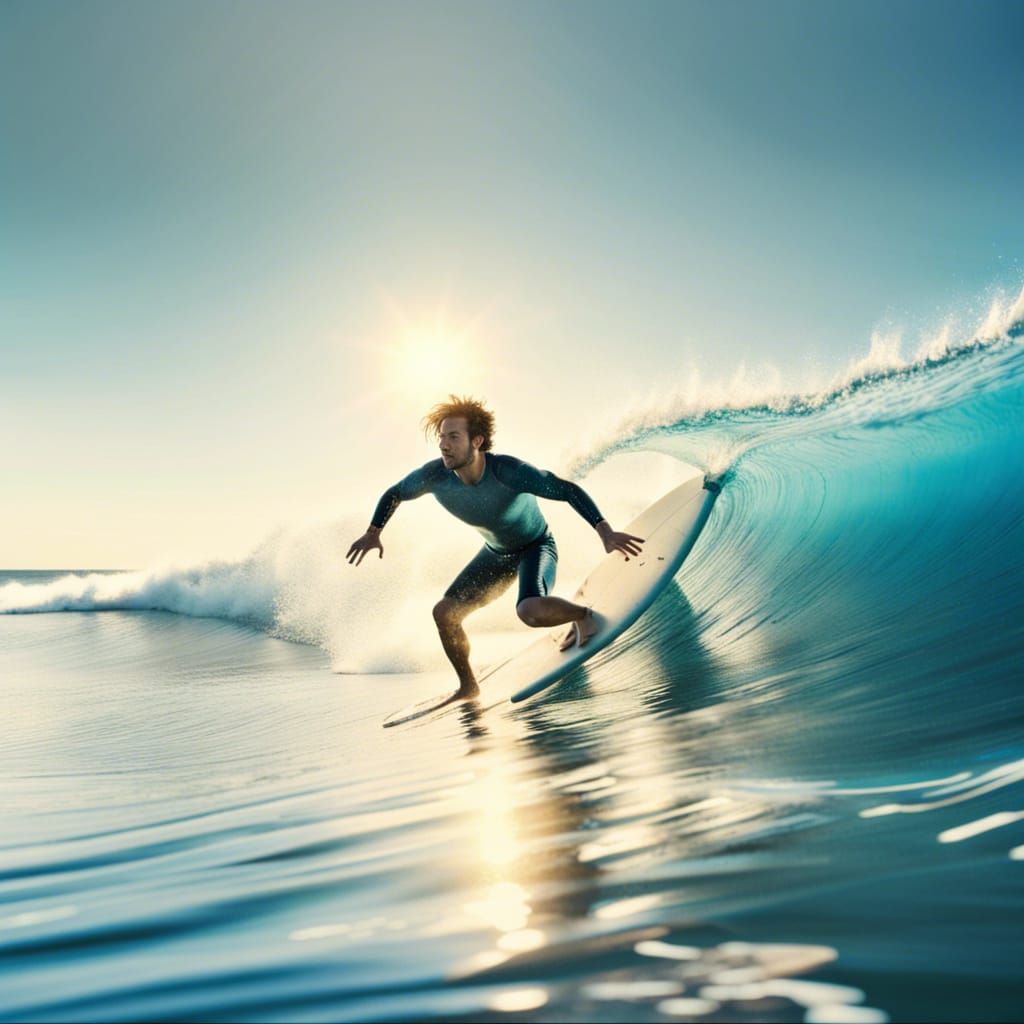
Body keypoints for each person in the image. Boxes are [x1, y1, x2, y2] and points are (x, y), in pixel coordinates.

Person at [347, 395, 644, 700]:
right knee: (444, 613)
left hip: (536, 546)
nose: (444, 445)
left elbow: (566, 490)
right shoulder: (434, 476)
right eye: (442, 438)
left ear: (477, 441)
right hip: (496, 554)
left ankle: (582, 614)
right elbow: (395, 493)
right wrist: (373, 532)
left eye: (453, 437)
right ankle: (468, 686)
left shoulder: (509, 472)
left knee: (529, 611)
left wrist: (605, 531)